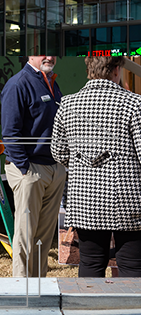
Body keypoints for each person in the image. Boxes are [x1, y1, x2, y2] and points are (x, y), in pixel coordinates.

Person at [51, 56, 141, 277]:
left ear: (88, 70)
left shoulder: (68, 104)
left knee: (90, 264)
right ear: (116, 70)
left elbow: (58, 151)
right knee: (132, 265)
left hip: (84, 199)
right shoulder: (134, 104)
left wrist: (85, 169)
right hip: (127, 201)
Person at [0, 56, 66, 278]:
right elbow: (9, 131)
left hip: (54, 168)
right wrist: (25, 169)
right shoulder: (18, 84)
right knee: (26, 234)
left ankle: (38, 288)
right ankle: (22, 291)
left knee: (44, 236)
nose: (49, 57)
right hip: (30, 169)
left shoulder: (52, 82)